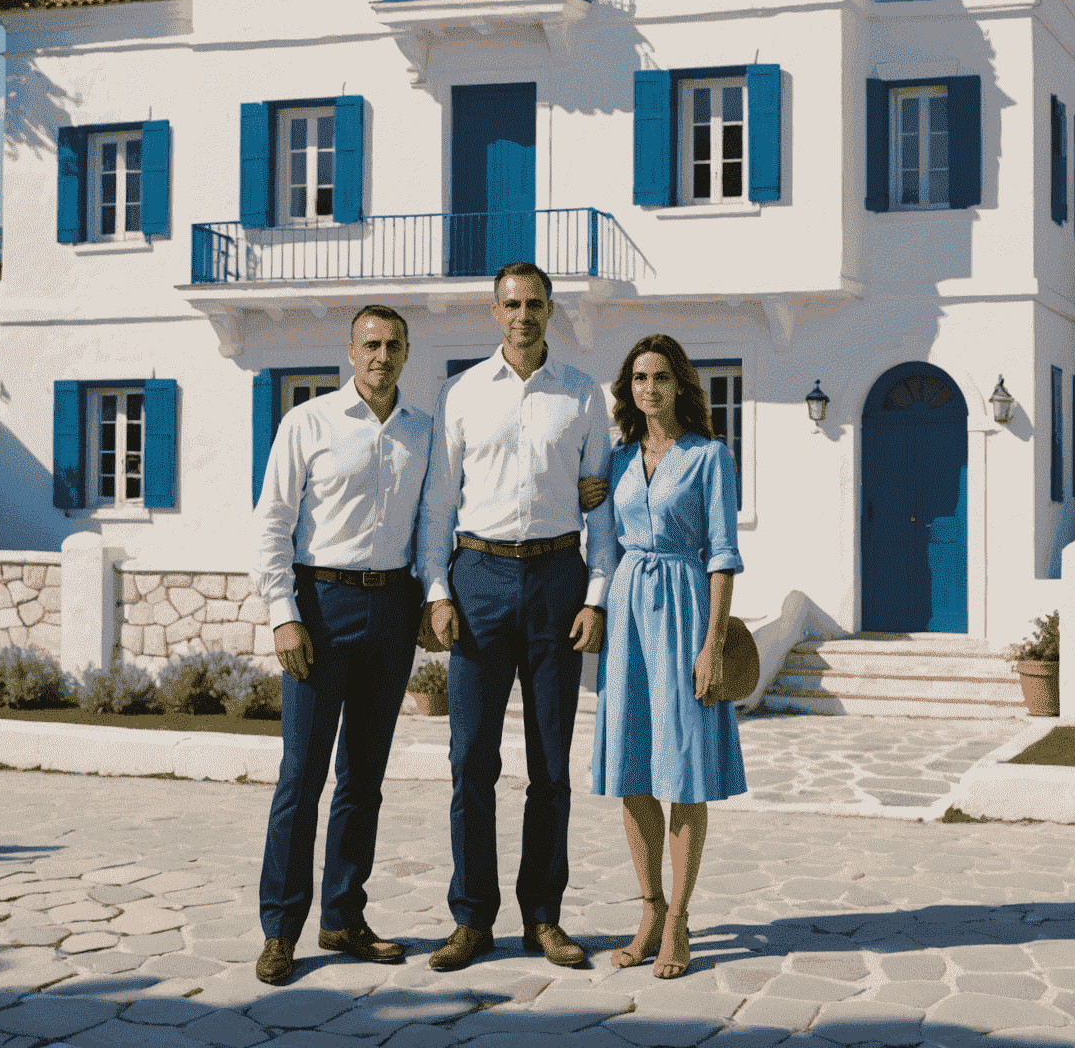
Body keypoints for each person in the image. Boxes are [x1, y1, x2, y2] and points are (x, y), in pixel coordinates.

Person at [415, 262, 614, 971]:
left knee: (551, 765)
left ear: (550, 310)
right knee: (471, 759)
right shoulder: (459, 394)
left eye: (534, 304)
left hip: (559, 581)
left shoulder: (585, 395)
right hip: (480, 579)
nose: (522, 315)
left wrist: (595, 596)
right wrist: (436, 590)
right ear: (493, 312)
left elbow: (601, 509)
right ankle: (471, 920)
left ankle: (543, 918)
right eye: (510, 304)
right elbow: (439, 501)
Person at [251, 304, 432, 986]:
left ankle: (343, 916)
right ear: (350, 351)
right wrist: (282, 612)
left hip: (392, 607)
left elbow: (433, 520)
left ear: (407, 353)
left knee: (363, 779)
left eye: (392, 345)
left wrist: (429, 597)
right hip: (320, 607)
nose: (381, 355)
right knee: (301, 776)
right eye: (370, 344)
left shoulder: (423, 434)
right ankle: (280, 930)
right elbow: (272, 519)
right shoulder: (308, 422)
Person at [592, 333, 745, 980]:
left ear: (681, 384)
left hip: (685, 612)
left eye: (660, 377)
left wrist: (711, 645)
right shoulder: (618, 459)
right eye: (637, 378)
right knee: (631, 769)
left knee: (682, 771)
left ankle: (679, 918)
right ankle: (649, 909)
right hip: (628, 608)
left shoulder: (710, 457)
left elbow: (723, 555)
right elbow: (600, 539)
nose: (648, 388)